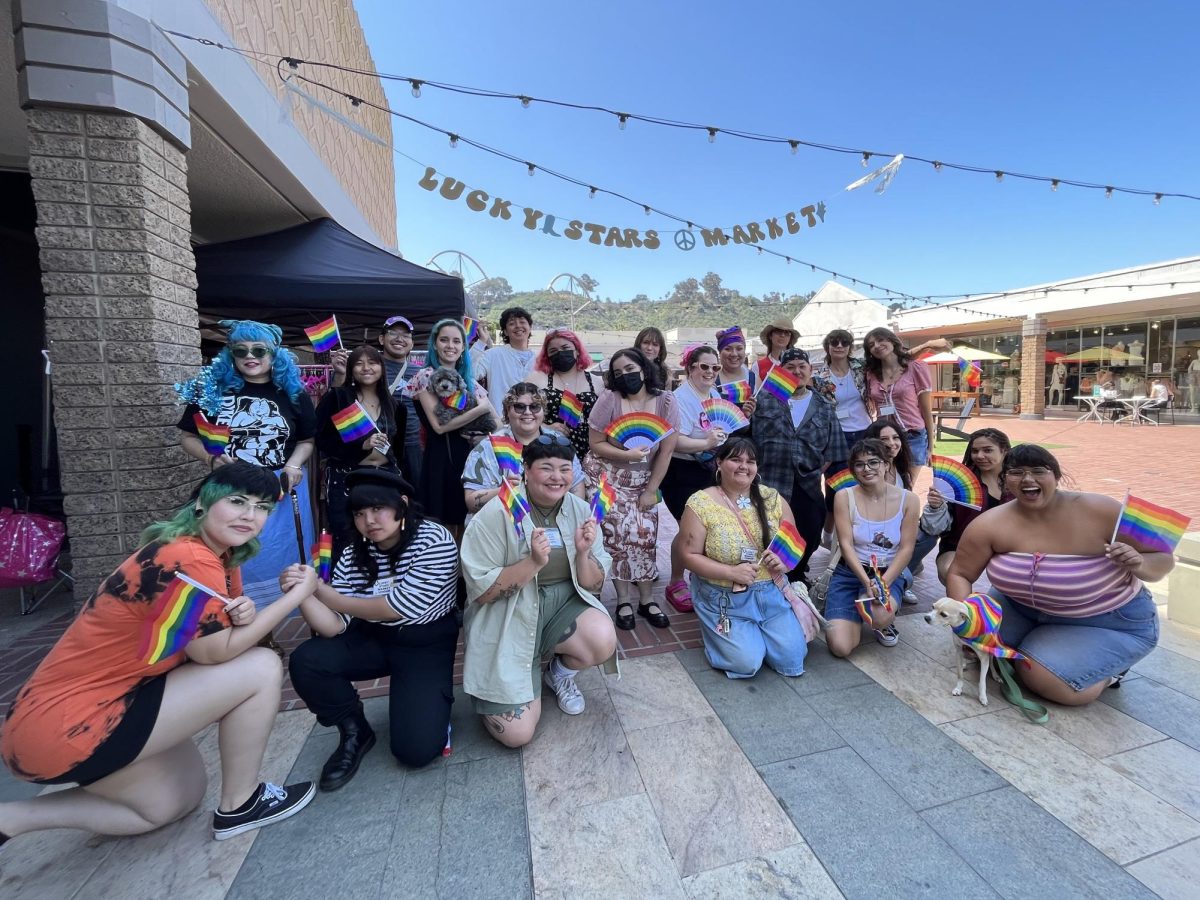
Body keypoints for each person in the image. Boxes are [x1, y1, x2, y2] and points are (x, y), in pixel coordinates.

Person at [0, 463, 318, 845]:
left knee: (174, 801)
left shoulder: (214, 554)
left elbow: (197, 635)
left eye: (262, 506)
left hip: (76, 714)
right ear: (202, 502)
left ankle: (12, 818)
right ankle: (242, 804)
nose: (250, 515)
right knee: (260, 667)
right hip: (69, 722)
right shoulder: (190, 557)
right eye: (237, 501)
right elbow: (216, 653)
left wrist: (242, 612)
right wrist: (297, 596)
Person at [946, 445, 1171, 706]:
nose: (1028, 479)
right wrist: (969, 622)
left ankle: (1111, 671)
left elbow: (1163, 558)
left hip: (1106, 619)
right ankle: (1040, 643)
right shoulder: (989, 523)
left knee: (1044, 679)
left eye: (1039, 471)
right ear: (1005, 479)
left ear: (1056, 476)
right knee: (981, 650)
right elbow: (961, 573)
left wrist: (1139, 562)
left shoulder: (1103, 510)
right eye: (1017, 472)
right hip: (1020, 608)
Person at [286, 469, 460, 791]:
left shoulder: (433, 538)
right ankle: (354, 730)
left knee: (416, 751)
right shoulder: (354, 552)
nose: (369, 520)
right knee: (307, 660)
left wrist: (324, 592)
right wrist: (302, 592)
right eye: (359, 513)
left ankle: (429, 709)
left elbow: (397, 608)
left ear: (402, 504)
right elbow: (334, 625)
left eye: (378, 508)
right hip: (372, 638)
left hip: (425, 642)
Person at [461, 436, 617, 747]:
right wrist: (532, 562)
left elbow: (592, 584)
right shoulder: (496, 513)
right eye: (546, 468)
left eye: (564, 468)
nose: (557, 477)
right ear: (526, 470)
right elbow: (482, 593)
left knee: (602, 639)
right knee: (517, 736)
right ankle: (514, 675)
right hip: (507, 613)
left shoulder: (581, 509)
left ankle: (556, 674)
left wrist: (583, 553)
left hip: (560, 605)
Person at [176, 319, 316, 609]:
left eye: (259, 350)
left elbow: (307, 441)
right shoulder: (212, 392)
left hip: (281, 489)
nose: (250, 357)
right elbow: (188, 437)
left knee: (281, 554)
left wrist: (293, 465)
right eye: (241, 351)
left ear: (274, 354)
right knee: (238, 554)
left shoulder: (293, 393)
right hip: (231, 487)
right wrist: (210, 458)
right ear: (231, 354)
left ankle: (280, 616)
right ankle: (249, 624)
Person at [676, 438, 808, 679]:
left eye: (750, 461)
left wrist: (784, 562)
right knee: (746, 662)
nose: (743, 466)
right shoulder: (701, 503)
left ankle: (757, 633)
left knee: (792, 658)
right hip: (725, 597)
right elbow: (688, 555)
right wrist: (730, 572)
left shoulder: (772, 498)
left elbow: (794, 542)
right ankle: (722, 629)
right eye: (735, 459)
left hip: (770, 594)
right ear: (719, 462)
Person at [584, 347, 680, 630]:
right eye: (617, 373)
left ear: (643, 367)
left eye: (629, 369)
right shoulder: (609, 399)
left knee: (645, 535)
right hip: (608, 475)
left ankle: (647, 599)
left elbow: (665, 451)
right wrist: (628, 455)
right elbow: (595, 443)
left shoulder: (666, 401)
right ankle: (624, 599)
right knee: (616, 536)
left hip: (644, 480)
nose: (624, 375)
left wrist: (652, 490)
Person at [751, 348, 847, 584]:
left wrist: (813, 471)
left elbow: (833, 450)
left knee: (810, 532)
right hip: (769, 483)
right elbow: (746, 438)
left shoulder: (824, 406)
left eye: (801, 366)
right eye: (790, 367)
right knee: (766, 532)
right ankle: (770, 577)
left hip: (807, 484)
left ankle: (797, 573)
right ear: (780, 371)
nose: (797, 371)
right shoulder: (763, 401)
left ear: (810, 370)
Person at [825, 439, 921, 656]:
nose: (867, 469)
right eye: (859, 464)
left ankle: (882, 615)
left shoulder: (909, 500)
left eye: (873, 462)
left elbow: (907, 548)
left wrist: (883, 583)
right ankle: (854, 610)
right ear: (853, 470)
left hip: (889, 572)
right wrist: (866, 581)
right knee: (840, 647)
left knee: (878, 618)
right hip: (851, 571)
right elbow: (846, 544)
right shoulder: (844, 496)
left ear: (887, 464)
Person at [403, 318, 497, 537]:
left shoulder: (470, 382)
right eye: (444, 340)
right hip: (440, 459)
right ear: (434, 344)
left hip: (471, 459)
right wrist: (479, 410)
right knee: (440, 526)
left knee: (468, 525)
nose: (450, 346)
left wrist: (483, 433)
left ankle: (464, 572)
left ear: (463, 347)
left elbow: (498, 423)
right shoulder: (426, 376)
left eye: (456, 341)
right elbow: (439, 427)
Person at [314, 345, 399, 557]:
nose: (366, 368)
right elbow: (321, 438)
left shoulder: (394, 404)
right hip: (347, 478)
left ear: (381, 368)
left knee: (385, 534)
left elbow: (400, 448)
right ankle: (346, 584)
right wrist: (362, 445)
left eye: (372, 363)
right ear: (351, 369)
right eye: (359, 363)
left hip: (385, 477)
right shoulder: (338, 398)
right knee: (347, 536)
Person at [662, 345, 727, 613]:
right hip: (681, 470)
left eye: (715, 367)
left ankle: (700, 576)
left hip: (710, 469)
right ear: (690, 368)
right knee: (688, 529)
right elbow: (673, 441)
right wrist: (707, 442)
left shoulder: (715, 394)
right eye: (704, 366)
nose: (710, 372)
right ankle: (676, 581)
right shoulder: (678, 399)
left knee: (708, 527)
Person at [462, 382, 586, 522]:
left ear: (543, 411)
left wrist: (572, 519)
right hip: (503, 525)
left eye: (534, 406)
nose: (527, 412)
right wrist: (502, 491)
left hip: (555, 523)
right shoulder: (487, 448)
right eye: (519, 407)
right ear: (507, 411)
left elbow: (576, 487)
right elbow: (471, 502)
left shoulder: (560, 443)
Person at [919, 428, 1011, 585]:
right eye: (975, 451)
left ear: (1004, 451)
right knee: (950, 573)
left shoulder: (1017, 480)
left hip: (1006, 546)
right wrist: (936, 507)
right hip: (960, 545)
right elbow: (934, 529)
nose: (980, 456)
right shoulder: (957, 481)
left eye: (988, 450)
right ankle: (962, 609)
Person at [813, 329, 872, 547]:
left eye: (844, 342)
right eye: (834, 342)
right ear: (827, 346)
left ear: (850, 346)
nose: (839, 346)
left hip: (864, 432)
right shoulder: (819, 375)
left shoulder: (861, 367)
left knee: (865, 482)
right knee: (835, 487)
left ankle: (861, 535)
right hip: (835, 435)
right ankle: (828, 535)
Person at [862, 326, 935, 483]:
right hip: (883, 437)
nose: (876, 345)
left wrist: (930, 445)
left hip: (912, 435)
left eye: (881, 340)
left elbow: (926, 409)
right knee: (885, 482)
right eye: (871, 344)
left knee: (907, 484)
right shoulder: (870, 373)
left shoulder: (915, 367)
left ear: (892, 341)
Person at [527, 329, 600, 459]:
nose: (560, 353)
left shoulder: (597, 383)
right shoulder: (536, 380)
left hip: (592, 456)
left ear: (577, 350)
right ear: (547, 356)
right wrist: (544, 427)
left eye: (565, 347)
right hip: (549, 453)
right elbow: (516, 413)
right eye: (553, 351)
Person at [478, 306, 536, 400]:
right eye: (512, 323)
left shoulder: (541, 357)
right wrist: (482, 341)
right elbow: (471, 374)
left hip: (532, 413)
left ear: (530, 327)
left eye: (522, 322)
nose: (518, 326)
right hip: (500, 414)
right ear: (505, 332)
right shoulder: (492, 355)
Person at [714, 326, 758, 414]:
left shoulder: (754, 378)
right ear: (719, 352)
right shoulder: (712, 378)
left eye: (739, 349)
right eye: (727, 349)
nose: (734, 354)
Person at [864, 419, 915, 489]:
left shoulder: (901, 468)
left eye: (895, 438)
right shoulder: (867, 472)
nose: (891, 443)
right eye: (884, 439)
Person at [755, 317, 800, 381]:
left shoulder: (798, 365)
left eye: (787, 333)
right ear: (770, 335)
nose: (782, 335)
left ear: (790, 338)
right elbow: (754, 390)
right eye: (778, 331)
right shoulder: (758, 366)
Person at [636, 326, 672, 391]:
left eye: (655, 344)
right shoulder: (629, 368)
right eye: (646, 343)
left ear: (660, 349)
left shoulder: (665, 373)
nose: (649, 348)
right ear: (638, 345)